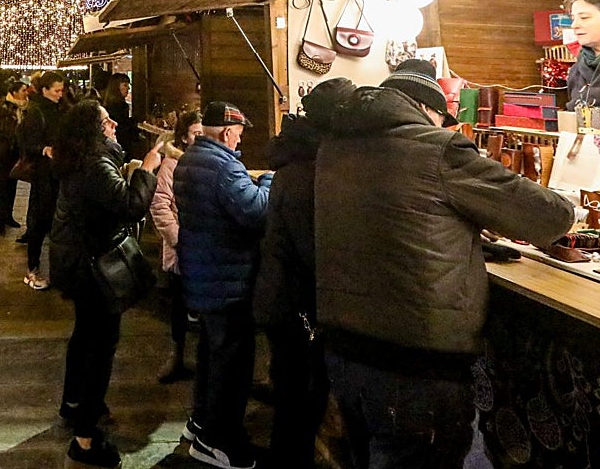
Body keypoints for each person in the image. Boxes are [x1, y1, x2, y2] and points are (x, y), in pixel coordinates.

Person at [315, 59, 575, 468]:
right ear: (425, 108)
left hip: (346, 346)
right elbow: (548, 216)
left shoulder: (336, 146)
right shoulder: (438, 149)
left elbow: (397, 219)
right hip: (413, 360)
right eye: (442, 117)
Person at [48, 100, 163, 468]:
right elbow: (130, 205)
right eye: (105, 120)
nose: (113, 123)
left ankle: (73, 403)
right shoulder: (96, 164)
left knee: (84, 335)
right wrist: (146, 169)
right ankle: (84, 437)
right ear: (92, 130)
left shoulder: (81, 158)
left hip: (75, 262)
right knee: (101, 344)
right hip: (92, 267)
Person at [253, 78, 355, 468]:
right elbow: (313, 249)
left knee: (294, 403)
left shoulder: (299, 161)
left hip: (284, 302)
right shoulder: (306, 172)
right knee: (299, 404)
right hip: (294, 308)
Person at [174, 101, 272, 469]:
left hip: (205, 273)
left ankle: (201, 423)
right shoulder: (223, 165)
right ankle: (218, 442)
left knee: (212, 356)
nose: (240, 140)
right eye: (239, 134)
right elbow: (257, 212)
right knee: (231, 365)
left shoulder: (192, 157)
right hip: (227, 279)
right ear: (229, 132)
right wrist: (269, 179)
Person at [148, 109, 203, 384]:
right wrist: (179, 239)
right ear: (184, 137)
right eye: (196, 134)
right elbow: (160, 205)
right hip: (183, 247)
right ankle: (177, 356)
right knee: (179, 306)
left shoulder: (211, 162)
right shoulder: (172, 165)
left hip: (207, 248)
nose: (201, 138)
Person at [17, 70, 67, 289]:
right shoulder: (36, 112)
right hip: (44, 175)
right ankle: (32, 268)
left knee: (58, 222)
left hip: (60, 173)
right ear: (45, 90)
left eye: (62, 90)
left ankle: (58, 269)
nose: (60, 94)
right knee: (41, 221)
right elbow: (26, 142)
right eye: (56, 90)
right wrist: (44, 149)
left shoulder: (62, 109)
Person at [0, 77, 28, 236]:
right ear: (14, 92)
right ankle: (1, 219)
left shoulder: (26, 108)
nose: (26, 94)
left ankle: (9, 215)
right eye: (23, 91)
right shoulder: (1, 106)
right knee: (2, 184)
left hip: (17, 152)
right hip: (2, 152)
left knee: (12, 184)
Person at [101, 73, 139, 160]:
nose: (128, 88)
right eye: (125, 85)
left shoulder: (107, 103)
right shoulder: (119, 106)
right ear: (116, 87)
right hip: (120, 145)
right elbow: (122, 127)